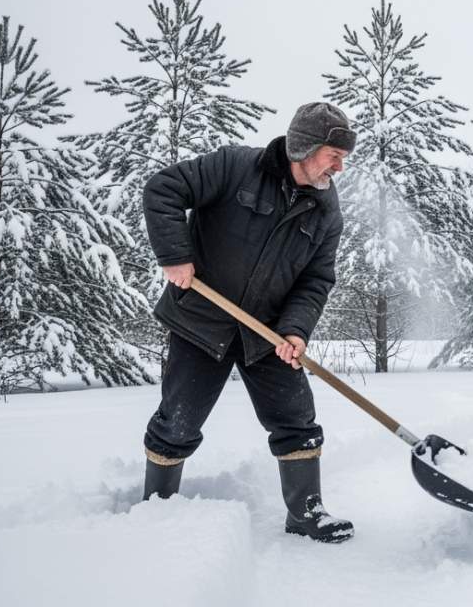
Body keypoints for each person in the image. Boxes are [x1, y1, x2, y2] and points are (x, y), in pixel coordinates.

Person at [138, 102, 356, 543]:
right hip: (202, 323)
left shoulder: (326, 210)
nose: (340, 164)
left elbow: (316, 279)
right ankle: (156, 512)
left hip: (268, 334)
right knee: (177, 422)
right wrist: (174, 255)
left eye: (343, 155)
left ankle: (306, 514)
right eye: (334, 153)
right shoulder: (235, 166)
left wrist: (296, 330)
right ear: (304, 147)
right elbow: (163, 189)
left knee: (297, 420)